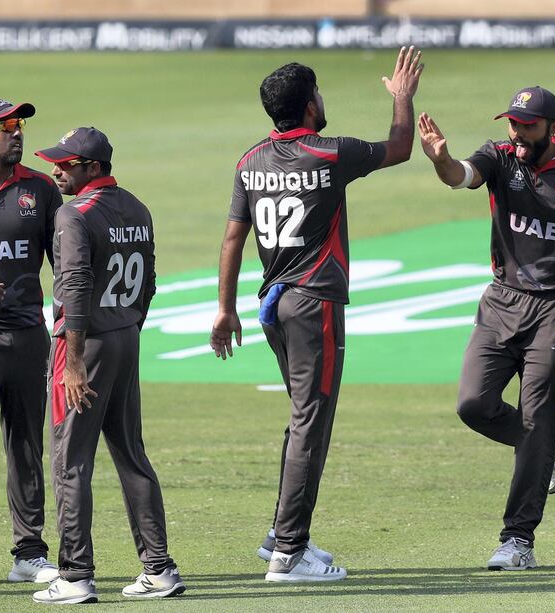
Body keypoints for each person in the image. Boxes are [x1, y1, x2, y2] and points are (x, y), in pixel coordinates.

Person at [210, 46, 424, 582]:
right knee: (311, 418)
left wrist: (223, 309)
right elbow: (401, 148)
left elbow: (234, 238)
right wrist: (401, 99)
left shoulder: (249, 161)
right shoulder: (330, 154)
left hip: (273, 304)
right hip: (314, 302)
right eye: (320, 92)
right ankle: (289, 553)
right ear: (309, 106)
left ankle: (281, 534)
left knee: (304, 415)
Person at [418, 86, 555, 569]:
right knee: (473, 405)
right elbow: (462, 176)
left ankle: (517, 541)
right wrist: (441, 159)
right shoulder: (499, 157)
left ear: (553, 128)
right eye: (513, 123)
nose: (517, 132)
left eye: (529, 125)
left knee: (537, 414)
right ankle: (543, 439)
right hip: (501, 301)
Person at [31, 128, 185, 603]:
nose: (57, 169)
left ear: (94, 168)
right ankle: (159, 568)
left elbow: (72, 286)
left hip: (84, 343)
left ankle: (75, 576)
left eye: (68, 163)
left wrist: (73, 360)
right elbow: (150, 280)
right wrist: (129, 326)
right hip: (124, 336)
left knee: (69, 461)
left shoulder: (73, 214)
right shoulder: (136, 207)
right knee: (130, 452)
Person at [0, 97, 62, 583]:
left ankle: (28, 555)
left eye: (21, 123)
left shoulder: (41, 189)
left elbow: (66, 262)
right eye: (5, 125)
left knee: (27, 445)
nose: (18, 131)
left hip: (28, 336)